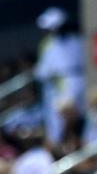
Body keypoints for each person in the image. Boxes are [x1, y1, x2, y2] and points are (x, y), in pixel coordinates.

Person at [34, 8, 85, 144]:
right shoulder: (76, 40)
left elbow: (42, 72)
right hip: (67, 82)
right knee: (64, 119)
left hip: (64, 84)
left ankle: (68, 142)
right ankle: (64, 143)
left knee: (66, 118)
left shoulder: (51, 44)